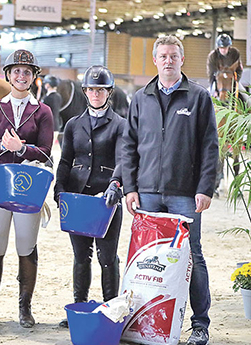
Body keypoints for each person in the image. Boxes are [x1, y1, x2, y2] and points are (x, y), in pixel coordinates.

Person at [121, 35, 219, 345]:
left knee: (194, 256)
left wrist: (205, 189)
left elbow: (209, 147)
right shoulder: (140, 98)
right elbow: (129, 146)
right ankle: (143, 323)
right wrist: (130, 188)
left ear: (181, 60)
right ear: (154, 60)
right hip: (147, 192)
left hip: (185, 195)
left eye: (173, 56)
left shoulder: (199, 98)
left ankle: (200, 324)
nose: (167, 61)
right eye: (162, 56)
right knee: (145, 258)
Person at [0, 49, 53, 328]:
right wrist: (2, 146)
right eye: (16, 71)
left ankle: (25, 307)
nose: (21, 76)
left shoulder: (43, 111)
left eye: (27, 72)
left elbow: (46, 152)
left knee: (26, 245)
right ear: (8, 75)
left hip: (28, 187)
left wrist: (22, 148)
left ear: (34, 77)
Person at [53, 65, 125, 328]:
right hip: (78, 198)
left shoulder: (120, 125)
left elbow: (123, 161)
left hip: (107, 199)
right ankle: (79, 307)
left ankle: (110, 309)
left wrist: (115, 187)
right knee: (81, 255)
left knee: (108, 257)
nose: (96, 94)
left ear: (109, 92)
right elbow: (65, 160)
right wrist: (59, 188)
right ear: (85, 91)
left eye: (101, 89)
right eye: (92, 89)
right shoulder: (73, 125)